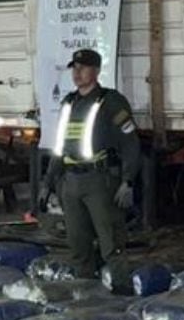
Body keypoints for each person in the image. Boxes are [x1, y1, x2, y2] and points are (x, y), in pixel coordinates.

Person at [39, 48, 142, 278]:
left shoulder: (111, 101)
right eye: (74, 68)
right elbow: (59, 147)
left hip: (99, 182)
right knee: (78, 245)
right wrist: (47, 182)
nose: (77, 73)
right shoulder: (68, 103)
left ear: (95, 71)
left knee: (111, 243)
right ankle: (85, 297)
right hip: (71, 183)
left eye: (82, 68)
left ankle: (120, 292)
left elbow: (130, 143)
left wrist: (128, 181)